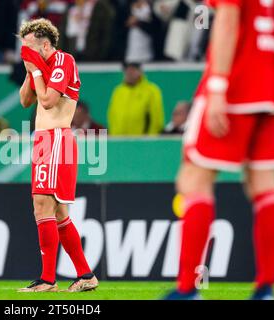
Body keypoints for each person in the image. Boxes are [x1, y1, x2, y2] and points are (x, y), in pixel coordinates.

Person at [165, 0, 274, 300]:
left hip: (237, 84)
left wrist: (218, 87)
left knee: (194, 179)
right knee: (264, 185)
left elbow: (228, 19)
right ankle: (266, 289)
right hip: (270, 88)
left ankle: (188, 290)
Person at [18, 18, 98, 293]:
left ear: (45, 43)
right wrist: (31, 70)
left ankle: (48, 279)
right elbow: (25, 100)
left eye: (29, 47)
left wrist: (36, 72)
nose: (25, 53)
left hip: (56, 139)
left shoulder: (64, 60)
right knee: (59, 212)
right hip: (43, 141)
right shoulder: (39, 67)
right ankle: (85, 275)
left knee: (42, 204)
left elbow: (48, 101)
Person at [107, 62, 164, 135]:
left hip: (141, 141)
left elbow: (156, 118)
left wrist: (151, 139)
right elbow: (111, 115)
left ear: (140, 71)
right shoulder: (118, 91)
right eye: (127, 69)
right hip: (119, 140)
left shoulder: (151, 91)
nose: (129, 73)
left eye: (133, 69)